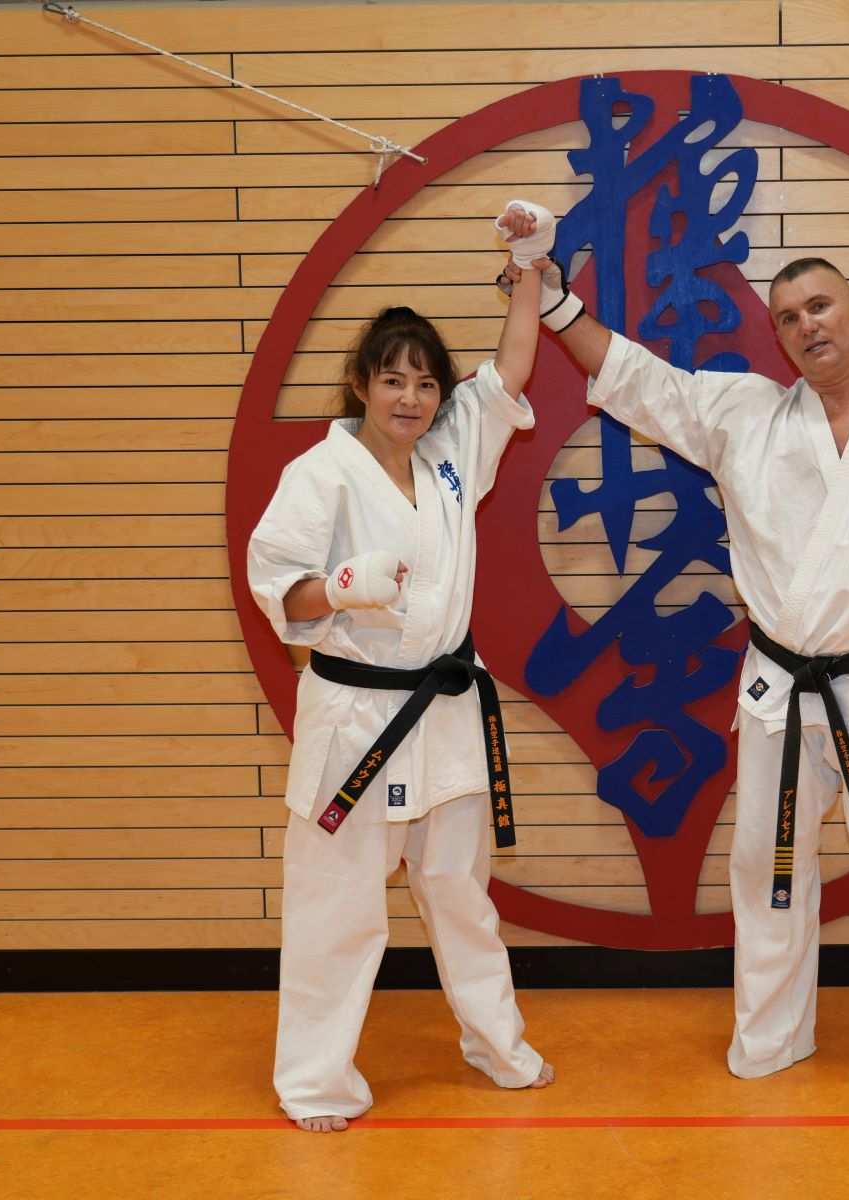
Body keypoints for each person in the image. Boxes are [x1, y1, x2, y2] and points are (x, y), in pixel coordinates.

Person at [516, 243, 849, 1101]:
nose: (809, 326)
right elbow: (640, 380)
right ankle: (771, 1035)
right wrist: (554, 304)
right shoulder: (746, 414)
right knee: (766, 870)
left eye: (822, 306)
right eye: (790, 317)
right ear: (778, 335)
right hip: (781, 688)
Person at [249, 202, 559, 1132]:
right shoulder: (320, 473)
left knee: (461, 893)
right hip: (356, 716)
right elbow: (278, 584)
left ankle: (497, 1046)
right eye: (393, 380)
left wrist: (529, 266)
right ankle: (315, 1082)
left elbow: (509, 370)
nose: (411, 398)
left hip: (446, 706)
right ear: (361, 384)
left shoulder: (451, 453)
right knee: (339, 905)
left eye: (425, 383)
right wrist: (340, 587)